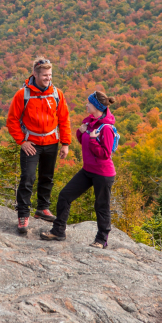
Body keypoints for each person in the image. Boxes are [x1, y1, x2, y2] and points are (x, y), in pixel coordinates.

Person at [40, 91, 117, 249]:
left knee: (101, 206)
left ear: (96, 106)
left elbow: (105, 154)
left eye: (88, 103)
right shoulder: (90, 121)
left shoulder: (106, 128)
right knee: (64, 196)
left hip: (103, 174)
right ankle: (58, 231)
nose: (86, 105)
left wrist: (95, 140)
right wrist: (80, 132)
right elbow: (84, 142)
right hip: (88, 170)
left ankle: (102, 240)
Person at [6, 58, 71, 234]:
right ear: (35, 74)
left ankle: (42, 208)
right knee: (27, 178)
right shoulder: (23, 94)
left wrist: (65, 143)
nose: (47, 79)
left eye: (50, 75)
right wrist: (22, 141)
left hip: (51, 142)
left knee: (47, 177)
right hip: (31, 144)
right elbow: (12, 120)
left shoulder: (57, 94)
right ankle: (23, 215)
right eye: (44, 75)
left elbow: (64, 119)